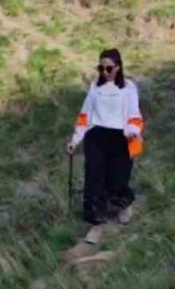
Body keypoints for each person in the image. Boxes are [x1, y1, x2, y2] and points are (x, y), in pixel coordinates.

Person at [65, 48, 143, 246]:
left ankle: (123, 204)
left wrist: (132, 130)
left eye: (108, 68)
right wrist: (75, 140)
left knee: (118, 178)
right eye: (101, 68)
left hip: (121, 136)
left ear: (118, 67)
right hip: (96, 136)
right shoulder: (95, 88)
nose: (104, 72)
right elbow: (85, 115)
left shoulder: (128, 88)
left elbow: (135, 114)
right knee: (94, 181)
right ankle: (95, 224)